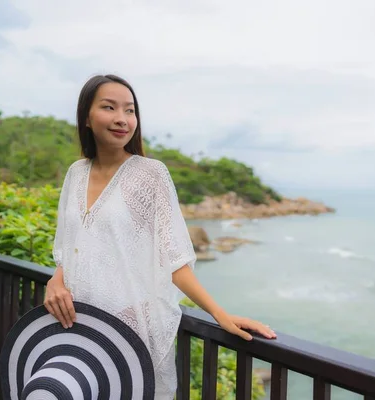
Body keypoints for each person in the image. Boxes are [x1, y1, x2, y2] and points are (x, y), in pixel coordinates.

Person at [43, 74, 276, 399]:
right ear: (86, 116)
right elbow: (71, 246)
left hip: (131, 327)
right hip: (81, 325)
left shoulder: (150, 174)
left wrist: (219, 313)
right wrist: (56, 281)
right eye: (109, 107)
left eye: (130, 110)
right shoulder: (75, 173)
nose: (122, 119)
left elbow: (174, 260)